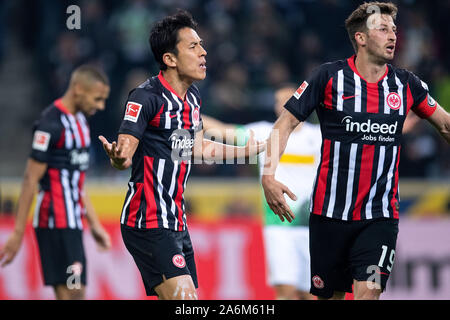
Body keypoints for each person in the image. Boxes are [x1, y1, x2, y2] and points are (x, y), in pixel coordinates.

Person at [261, 1, 450, 300]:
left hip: (380, 216)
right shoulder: (327, 77)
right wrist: (268, 176)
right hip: (328, 215)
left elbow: (446, 126)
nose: (392, 36)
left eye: (394, 30)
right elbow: (283, 125)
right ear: (361, 38)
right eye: (383, 29)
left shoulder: (406, 85)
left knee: (368, 293)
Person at [98, 10, 264, 300]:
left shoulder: (193, 98)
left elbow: (197, 148)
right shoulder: (145, 97)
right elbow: (125, 151)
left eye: (201, 45)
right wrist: (117, 157)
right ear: (169, 59)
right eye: (193, 46)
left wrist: (247, 151)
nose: (203, 52)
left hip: (176, 220)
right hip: (147, 219)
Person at [0, 65, 112, 300]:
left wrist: (93, 224)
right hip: (53, 221)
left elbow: (77, 182)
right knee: (74, 290)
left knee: (70, 293)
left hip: (73, 221)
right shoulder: (50, 124)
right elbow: (31, 179)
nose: (100, 106)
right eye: (97, 99)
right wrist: (18, 233)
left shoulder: (81, 122)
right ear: (79, 89)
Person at [202, 84, 320, 300]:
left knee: (311, 293)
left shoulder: (319, 137)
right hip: (278, 226)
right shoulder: (266, 132)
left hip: (313, 226)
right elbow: (221, 130)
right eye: (277, 101)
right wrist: (188, 113)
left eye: (287, 99)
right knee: (285, 291)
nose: (281, 105)